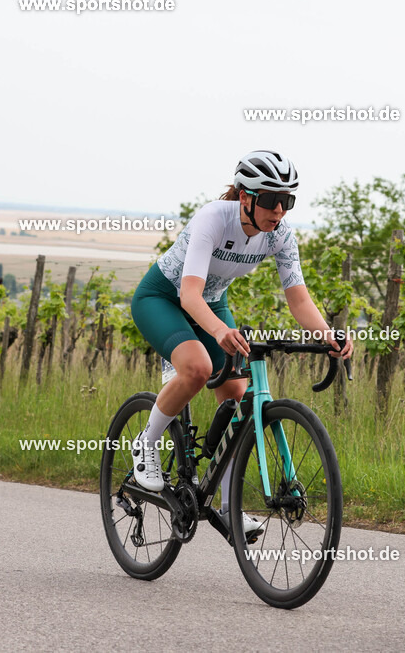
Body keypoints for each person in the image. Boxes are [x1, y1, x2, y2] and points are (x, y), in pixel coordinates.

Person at [129, 150, 353, 538]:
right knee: (197, 369)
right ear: (245, 196)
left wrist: (327, 335)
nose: (279, 209)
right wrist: (219, 332)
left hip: (211, 303)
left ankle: (229, 506)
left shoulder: (280, 235)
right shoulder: (213, 219)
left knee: (237, 395)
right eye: (270, 199)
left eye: (288, 200)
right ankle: (144, 445)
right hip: (163, 298)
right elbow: (189, 295)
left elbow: (298, 298)